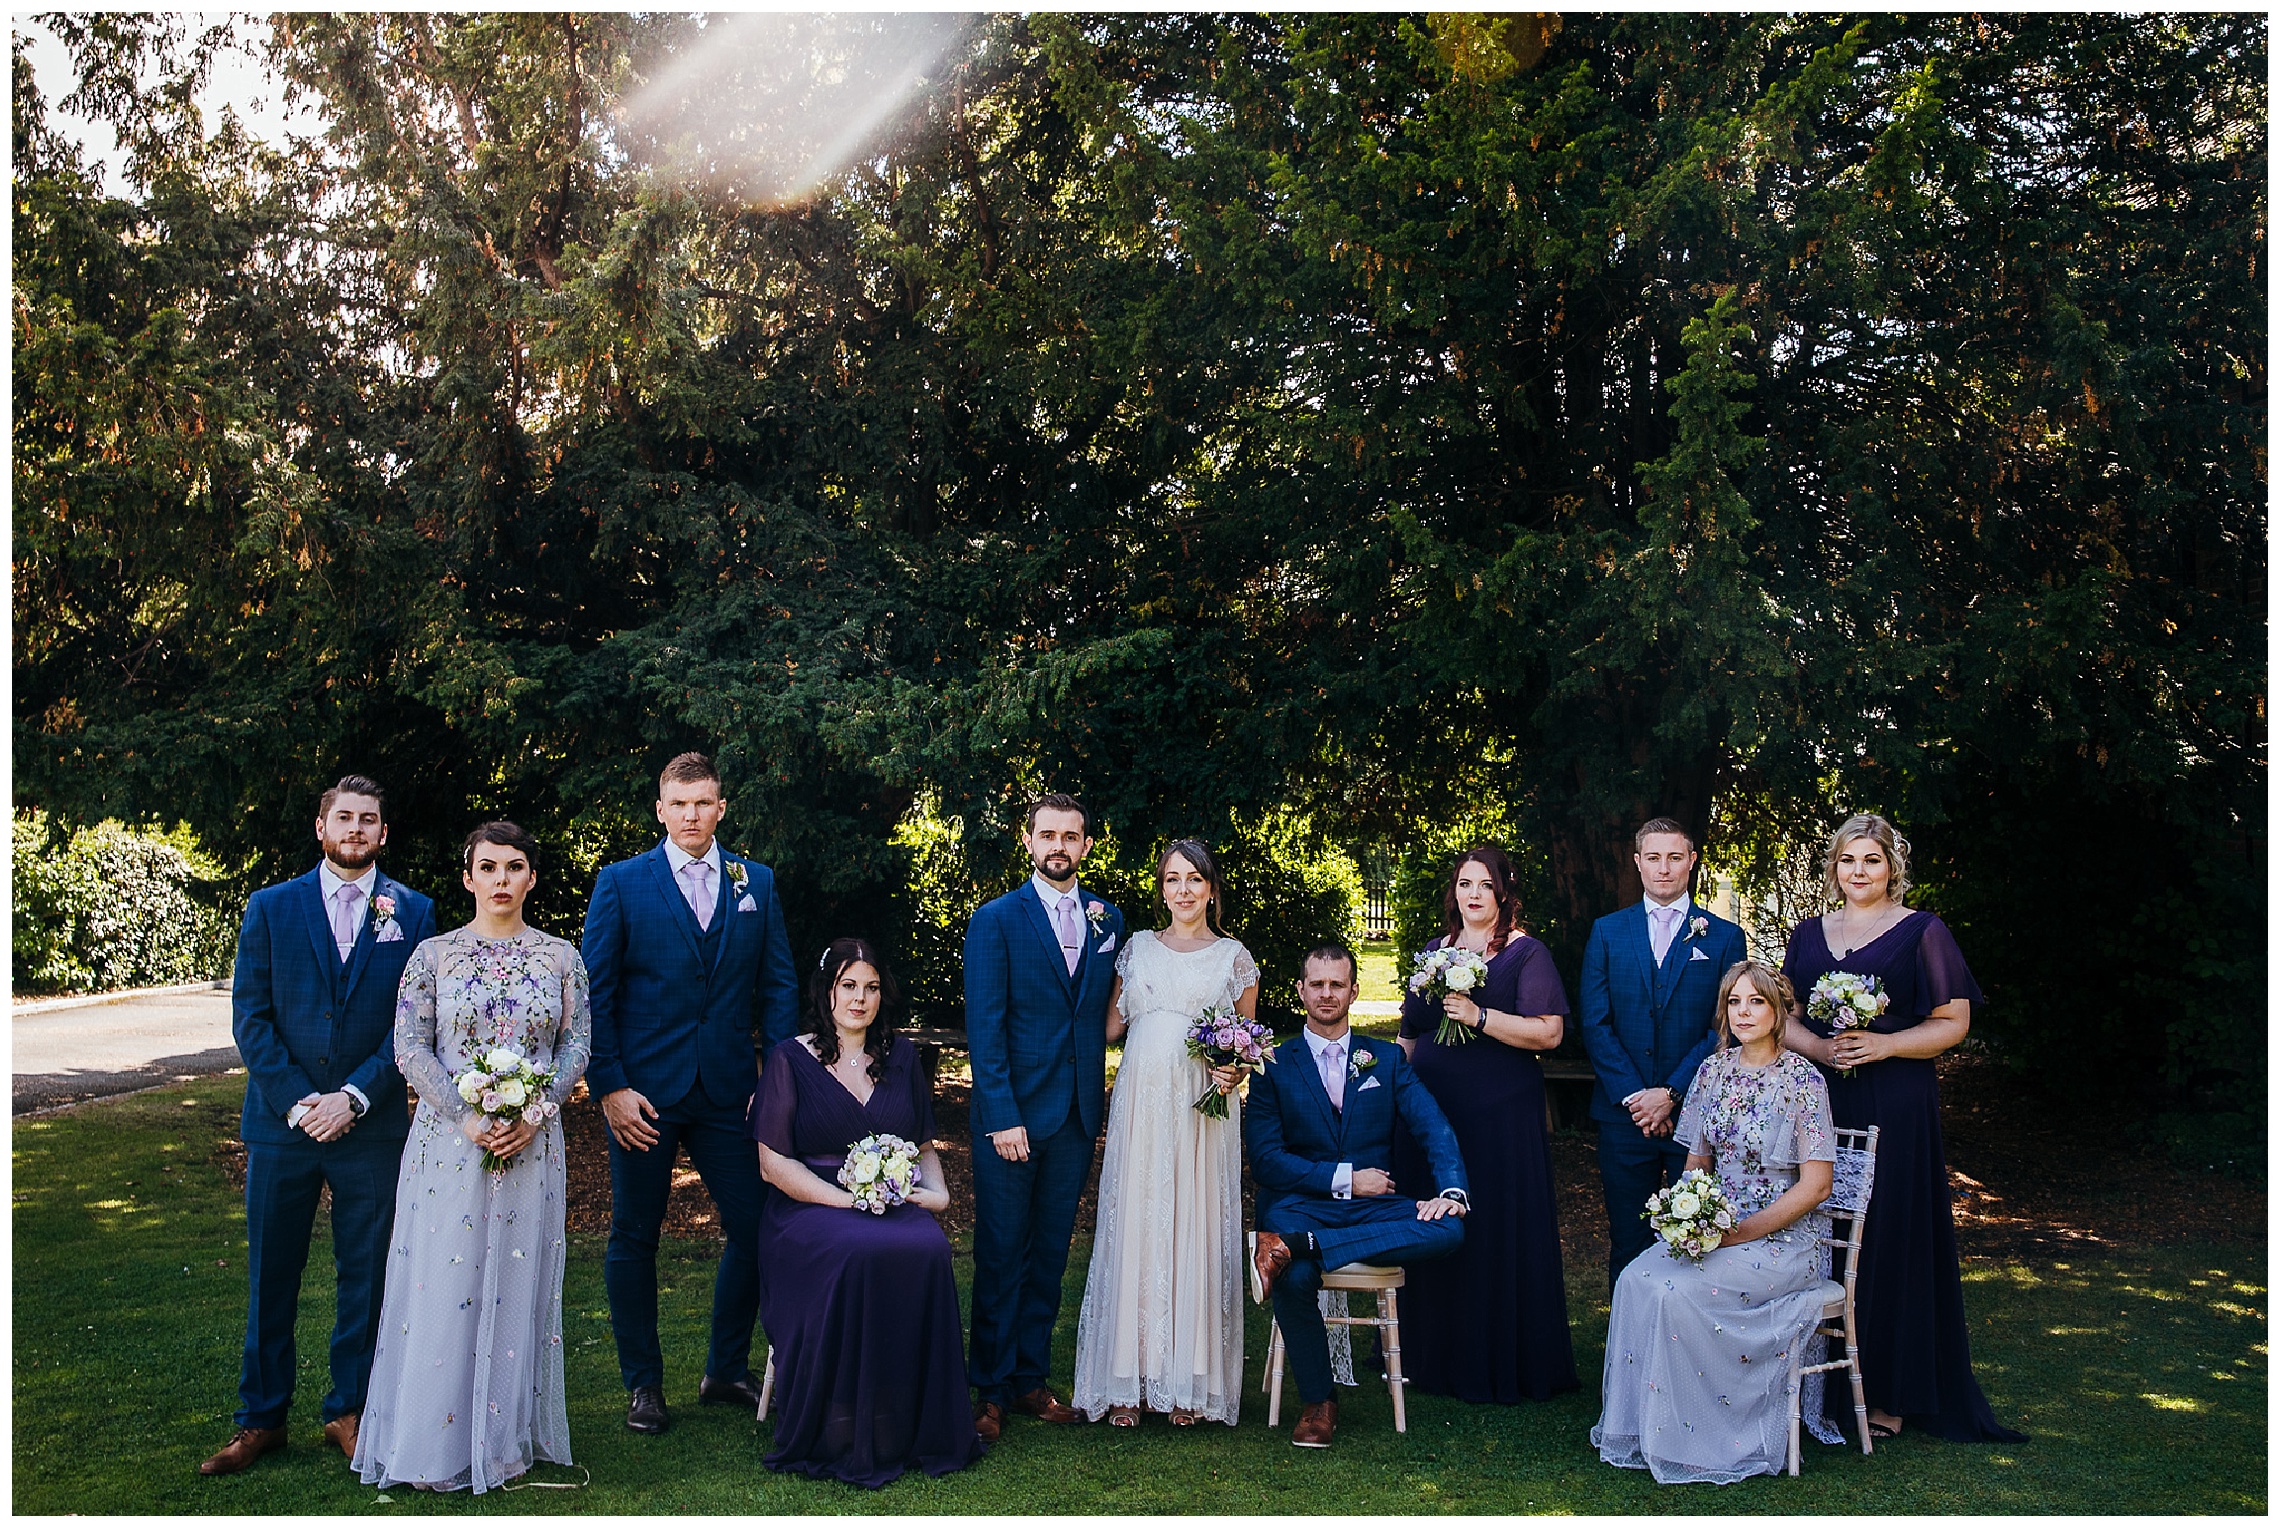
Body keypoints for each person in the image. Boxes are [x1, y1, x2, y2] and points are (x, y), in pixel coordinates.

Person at [202, 776, 437, 1477]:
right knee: (272, 1272)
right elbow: (252, 1017)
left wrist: (356, 1098)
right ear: (321, 827)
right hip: (283, 1126)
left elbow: (413, 1025)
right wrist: (303, 1102)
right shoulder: (270, 908)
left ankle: (350, 1407)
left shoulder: (415, 913)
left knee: (365, 1274)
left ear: (384, 834)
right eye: (345, 818)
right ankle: (259, 1419)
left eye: (370, 820)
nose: (357, 829)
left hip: (370, 1127)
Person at [354, 822, 592, 1493]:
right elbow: (410, 1048)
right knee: (444, 1282)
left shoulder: (561, 958)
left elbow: (575, 1046)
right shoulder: (432, 956)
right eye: (487, 867)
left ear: (532, 878)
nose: (501, 880)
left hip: (532, 1146)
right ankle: (433, 1444)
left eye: (515, 867)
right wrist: (469, 1115)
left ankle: (503, 1441)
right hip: (449, 1147)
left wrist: (536, 1112)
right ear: (467, 877)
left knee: (516, 1283)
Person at [1780, 812, 2027, 1444]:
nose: (1857, 872)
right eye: (1846, 861)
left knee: (1886, 1231)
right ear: (1831, 868)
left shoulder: (1923, 932)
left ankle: (1889, 1391)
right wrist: (1821, 1049)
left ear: (1892, 868)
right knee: (1815, 1228)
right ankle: (1814, 1385)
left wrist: (1884, 1047)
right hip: (1820, 1096)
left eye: (1870, 860)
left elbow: (1953, 1021)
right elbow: (1787, 1018)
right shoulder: (1807, 935)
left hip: (1896, 1099)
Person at [581, 751, 801, 1435]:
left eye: (703, 802)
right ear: (660, 809)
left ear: (722, 807)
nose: (691, 815)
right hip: (643, 1096)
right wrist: (610, 1087)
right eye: (679, 803)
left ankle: (725, 1369)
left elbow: (780, 986)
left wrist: (776, 1080)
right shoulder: (622, 882)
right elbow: (595, 994)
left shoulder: (753, 881)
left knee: (758, 1225)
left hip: (731, 1093)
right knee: (634, 1236)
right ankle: (644, 1384)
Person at [1592, 961, 1837, 1485]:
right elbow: (1696, 1163)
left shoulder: (1803, 1080)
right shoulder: (1712, 1070)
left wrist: (1744, 1232)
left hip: (1783, 1240)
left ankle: (1710, 1435)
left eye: (1756, 1002)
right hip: (1716, 1228)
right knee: (1638, 1278)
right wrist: (1688, 1218)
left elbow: (1817, 1186)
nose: (1743, 1013)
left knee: (1678, 1293)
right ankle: (1649, 1430)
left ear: (1777, 1011)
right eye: (1734, 1002)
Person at [750, 939, 981, 1487]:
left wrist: (940, 1193)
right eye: (849, 985)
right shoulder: (789, 1057)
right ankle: (840, 1422)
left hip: (888, 1201)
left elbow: (923, 1145)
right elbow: (772, 1164)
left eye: (871, 987)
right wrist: (848, 1199)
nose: (860, 998)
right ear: (826, 991)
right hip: (808, 1209)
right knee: (857, 1250)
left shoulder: (900, 1057)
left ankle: (910, 1422)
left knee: (926, 1246)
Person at [1247, 944, 1470, 1449]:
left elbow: (1433, 1126)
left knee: (1450, 1227)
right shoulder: (1273, 1064)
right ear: (1301, 990)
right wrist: (1345, 1178)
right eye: (1317, 984)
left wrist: (1452, 1188)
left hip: (1358, 1214)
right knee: (1297, 1276)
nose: (1327, 994)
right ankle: (1318, 1403)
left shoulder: (1387, 1059)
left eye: (1337, 984)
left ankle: (1293, 1246)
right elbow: (1266, 1160)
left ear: (1353, 990)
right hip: (1301, 1204)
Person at [1071, 839, 1258, 1428]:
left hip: (1201, 1112)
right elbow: (1108, 1026)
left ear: (1211, 889)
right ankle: (1127, 1379)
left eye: (1194, 879)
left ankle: (1188, 1385)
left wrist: (1236, 1069)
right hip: (1141, 1108)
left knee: (1192, 1225)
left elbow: (1247, 1044)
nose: (1182, 890)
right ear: (1162, 888)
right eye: (1172, 879)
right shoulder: (1136, 950)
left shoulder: (1234, 958)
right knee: (1138, 1226)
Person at [962, 792, 1126, 1442]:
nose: (1059, 845)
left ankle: (1031, 1379)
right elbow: (986, 1026)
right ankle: (989, 1391)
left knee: (1051, 1254)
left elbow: (1111, 1010)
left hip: (1077, 1116)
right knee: (1002, 1253)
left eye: (1072, 835)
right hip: (1014, 1118)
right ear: (1028, 842)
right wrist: (1000, 1114)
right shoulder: (996, 920)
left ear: (1087, 845)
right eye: (1048, 834)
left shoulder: (1108, 918)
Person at [1391, 845, 1578, 1403]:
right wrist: (1393, 1093)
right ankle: (1428, 1354)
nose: (1472, 895)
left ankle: (1492, 1354)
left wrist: (1480, 1016)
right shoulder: (1433, 950)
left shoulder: (1528, 955)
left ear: (1503, 894)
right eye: (1464, 884)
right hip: (1430, 1109)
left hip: (1498, 1113)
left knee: (1490, 1223)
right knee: (1431, 1220)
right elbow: (1408, 1029)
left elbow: (1549, 1033)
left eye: (1484, 886)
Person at [1576, 818, 1749, 1288]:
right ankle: (1626, 1358)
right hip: (1623, 1116)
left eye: (1675, 857)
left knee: (1699, 1239)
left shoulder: (1724, 937)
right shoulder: (1608, 931)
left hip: (1695, 1113)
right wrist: (1638, 1098)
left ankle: (1686, 1353)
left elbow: (1726, 1023)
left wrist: (1672, 1092)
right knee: (1628, 1239)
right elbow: (1595, 1021)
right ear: (1638, 863)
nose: (1664, 868)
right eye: (1654, 858)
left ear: (1692, 861)